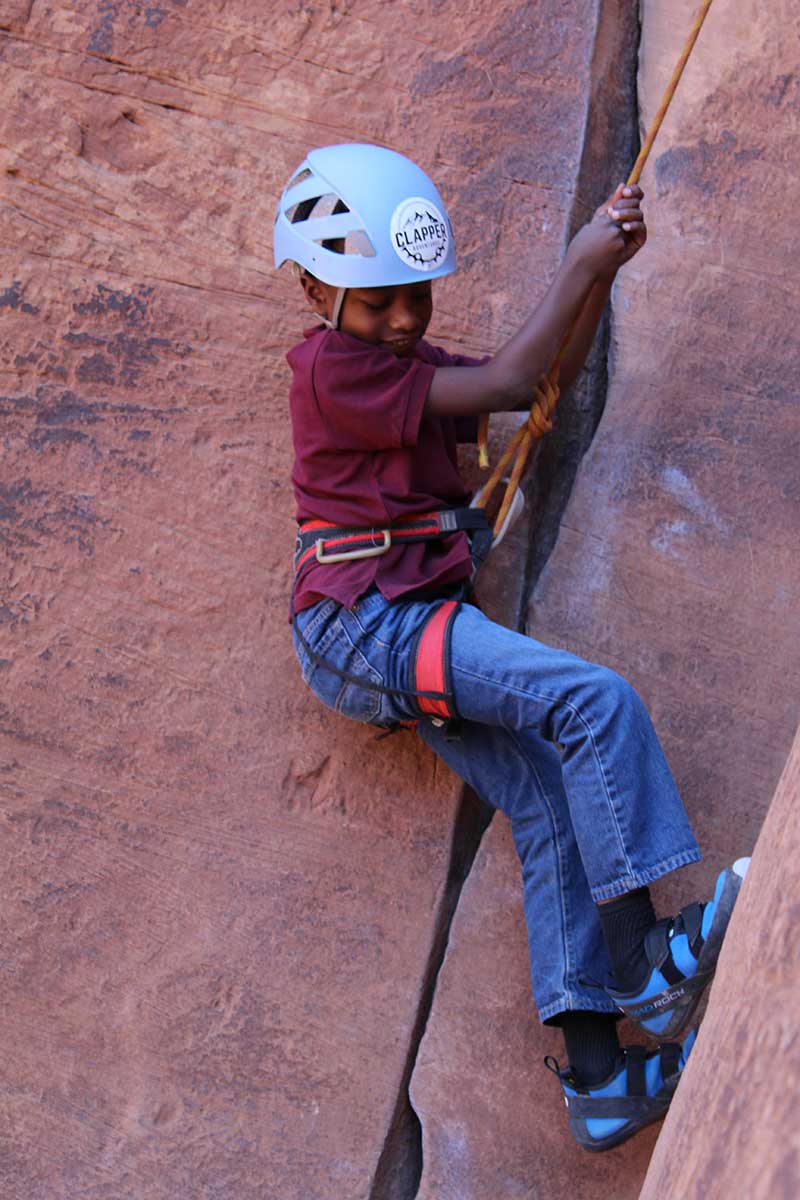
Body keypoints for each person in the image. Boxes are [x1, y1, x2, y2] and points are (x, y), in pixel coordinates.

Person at [274, 143, 748, 1152]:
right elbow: (512, 372)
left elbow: (532, 388)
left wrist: (600, 275)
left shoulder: (397, 363)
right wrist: (578, 262)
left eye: (415, 299)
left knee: (542, 798)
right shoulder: (330, 369)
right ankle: (641, 966)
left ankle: (598, 1082)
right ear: (317, 289)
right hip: (368, 621)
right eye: (375, 301)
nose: (401, 320)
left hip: (396, 623)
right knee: (592, 703)